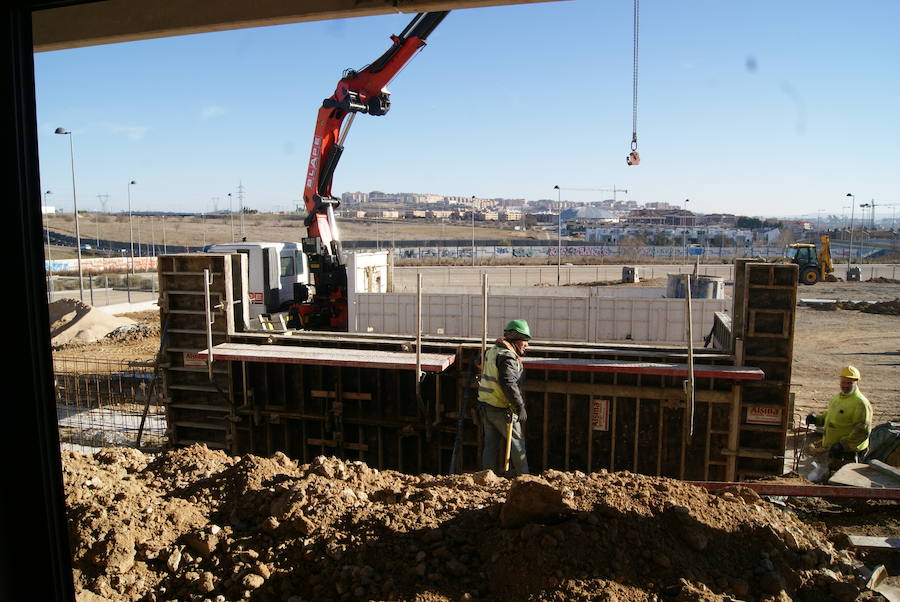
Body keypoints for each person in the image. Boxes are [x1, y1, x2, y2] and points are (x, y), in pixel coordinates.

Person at [477, 319, 531, 475]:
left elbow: (478, 363)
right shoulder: (507, 357)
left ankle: (485, 478)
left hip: (486, 406)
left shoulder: (492, 351)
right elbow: (508, 384)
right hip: (502, 409)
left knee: (490, 446)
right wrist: (519, 406)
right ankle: (525, 479)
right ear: (515, 339)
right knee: (517, 445)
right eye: (525, 340)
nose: (527, 345)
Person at [806, 365, 873, 472]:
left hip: (848, 453)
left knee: (843, 479)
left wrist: (843, 445)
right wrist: (817, 419)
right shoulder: (838, 397)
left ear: (856, 382)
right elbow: (830, 416)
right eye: (843, 382)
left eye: (849, 383)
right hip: (834, 449)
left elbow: (862, 431)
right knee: (829, 475)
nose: (845, 385)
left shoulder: (860, 403)